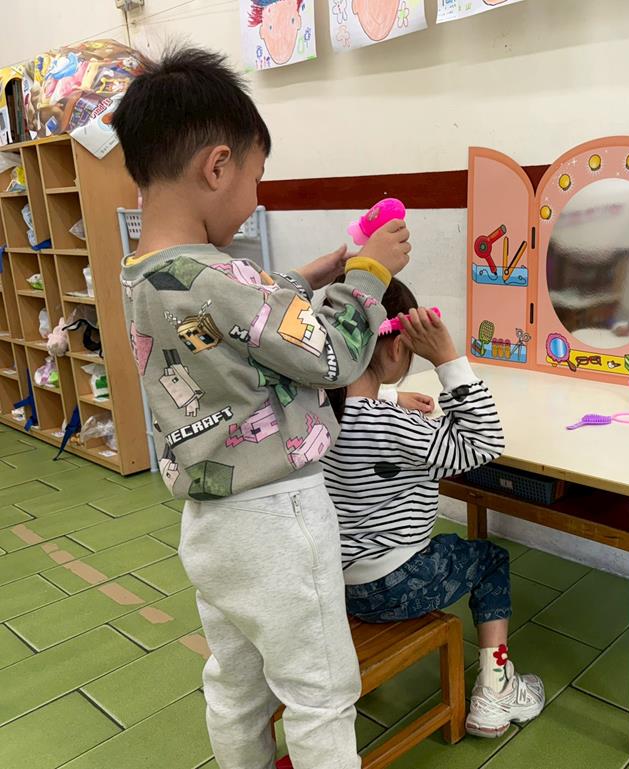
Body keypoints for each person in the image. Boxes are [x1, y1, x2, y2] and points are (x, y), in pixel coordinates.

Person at [112, 47, 411, 769]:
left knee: (236, 685)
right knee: (320, 693)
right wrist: (369, 276)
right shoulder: (223, 279)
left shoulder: (147, 274)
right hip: (280, 520)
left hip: (212, 526)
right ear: (217, 167)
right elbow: (333, 356)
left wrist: (318, 270)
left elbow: (234, 312)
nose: (254, 195)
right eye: (256, 177)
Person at [321, 278, 545, 738]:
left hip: (336, 583)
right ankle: (497, 688)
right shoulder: (393, 426)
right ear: (397, 347)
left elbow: (353, 398)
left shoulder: (316, 411)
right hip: (395, 585)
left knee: (451, 549)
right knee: (490, 560)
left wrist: (389, 395)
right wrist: (448, 360)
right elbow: (484, 443)